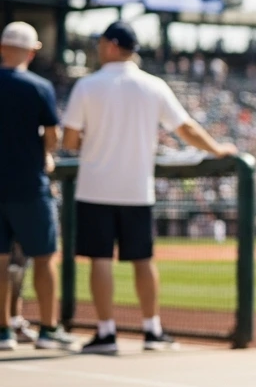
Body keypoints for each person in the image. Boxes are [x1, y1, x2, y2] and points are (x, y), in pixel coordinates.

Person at [61, 21, 237, 355]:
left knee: (100, 260)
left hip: (95, 187)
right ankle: (152, 330)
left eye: (100, 43)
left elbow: (70, 140)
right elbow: (185, 127)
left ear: (112, 45)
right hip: (136, 189)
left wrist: (96, 141)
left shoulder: (87, 85)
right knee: (143, 260)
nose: (97, 49)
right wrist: (216, 149)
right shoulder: (152, 85)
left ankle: (106, 332)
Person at [0, 21, 76, 351]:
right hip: (29, 185)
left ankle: (3, 332)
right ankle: (47, 329)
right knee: (46, 258)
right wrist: (45, 155)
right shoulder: (39, 87)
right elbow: (53, 137)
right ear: (32, 51)